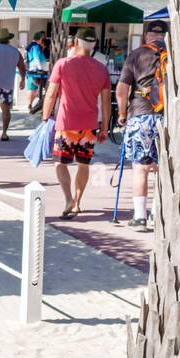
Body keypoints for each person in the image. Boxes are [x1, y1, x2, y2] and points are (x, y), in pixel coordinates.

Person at [43, 29, 111, 217]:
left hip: (66, 123)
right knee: (83, 164)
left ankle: (68, 200)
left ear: (75, 42)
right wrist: (104, 127)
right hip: (89, 125)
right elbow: (106, 102)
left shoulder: (63, 64)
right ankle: (77, 202)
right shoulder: (102, 69)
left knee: (60, 163)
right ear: (94, 45)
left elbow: (51, 93)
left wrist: (45, 117)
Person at [115, 22, 168, 231]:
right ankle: (157, 213)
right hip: (169, 117)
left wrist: (121, 114)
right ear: (165, 36)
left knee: (140, 168)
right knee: (163, 168)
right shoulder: (176, 56)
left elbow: (121, 89)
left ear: (147, 36)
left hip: (141, 115)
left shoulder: (136, 55)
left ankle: (139, 217)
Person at [25, 30, 50, 112]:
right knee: (35, 88)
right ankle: (34, 105)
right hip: (36, 69)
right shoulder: (35, 46)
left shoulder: (30, 46)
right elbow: (36, 58)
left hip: (32, 69)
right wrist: (40, 68)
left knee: (32, 88)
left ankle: (31, 105)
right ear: (39, 39)